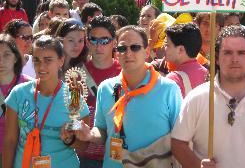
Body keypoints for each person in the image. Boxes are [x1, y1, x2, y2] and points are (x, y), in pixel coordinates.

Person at [74, 25, 182, 168]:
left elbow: (180, 136)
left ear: (147, 51)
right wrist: (89, 135)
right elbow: (102, 130)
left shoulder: (168, 88)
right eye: (122, 48)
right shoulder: (106, 88)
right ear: (117, 53)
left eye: (135, 47)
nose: (128, 53)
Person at [171, 25, 245, 168]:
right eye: (228, 53)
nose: (235, 59)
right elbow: (178, 142)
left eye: (241, 53)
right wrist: (197, 166)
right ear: (216, 58)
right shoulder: (197, 97)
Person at [3, 35, 90, 168]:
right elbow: (10, 140)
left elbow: (84, 144)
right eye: (36, 60)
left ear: (61, 61)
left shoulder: (74, 97)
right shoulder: (19, 93)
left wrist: (69, 139)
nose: (41, 66)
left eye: (48, 60)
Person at [78, 16, 121, 168]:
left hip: (118, 154)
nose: (99, 46)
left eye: (105, 40)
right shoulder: (76, 75)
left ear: (114, 42)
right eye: (94, 40)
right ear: (87, 42)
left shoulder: (125, 72)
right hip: (85, 155)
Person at [0, 34, 31, 165]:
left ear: (15, 57)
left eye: (6, 54)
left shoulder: (31, 86)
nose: (0, 61)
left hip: (23, 154)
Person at [165, 23, 208, 97]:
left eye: (167, 45)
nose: (164, 48)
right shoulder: (208, 74)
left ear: (180, 49)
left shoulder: (173, 79)